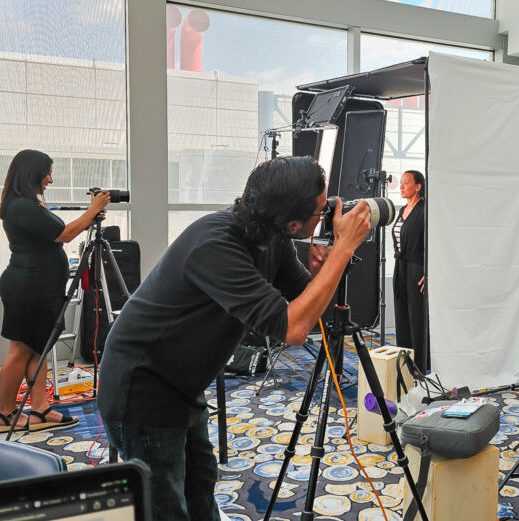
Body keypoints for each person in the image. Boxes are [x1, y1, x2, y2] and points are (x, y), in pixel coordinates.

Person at [98, 156, 370, 521]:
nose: (325, 218)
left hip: (182, 386)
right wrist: (343, 250)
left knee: (199, 488)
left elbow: (309, 303)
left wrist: (325, 271)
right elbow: (293, 329)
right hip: (142, 391)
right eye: (320, 212)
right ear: (292, 221)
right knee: (165, 505)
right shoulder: (215, 244)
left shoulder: (272, 238)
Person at [0, 149, 110, 434]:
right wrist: (93, 210)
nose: (50, 179)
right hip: (27, 287)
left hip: (38, 286)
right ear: (33, 173)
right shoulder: (21, 206)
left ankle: (40, 409)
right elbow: (64, 234)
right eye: (47, 172)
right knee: (20, 350)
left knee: (39, 349)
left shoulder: (25, 204)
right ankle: (5, 414)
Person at [392, 170, 427, 370]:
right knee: (401, 313)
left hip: (417, 269)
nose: (402, 186)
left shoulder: (424, 210)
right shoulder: (402, 209)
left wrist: (428, 272)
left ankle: (420, 365)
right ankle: (405, 362)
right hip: (401, 267)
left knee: (416, 317)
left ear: (418, 186)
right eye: (402, 183)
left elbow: (433, 243)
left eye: (406, 182)